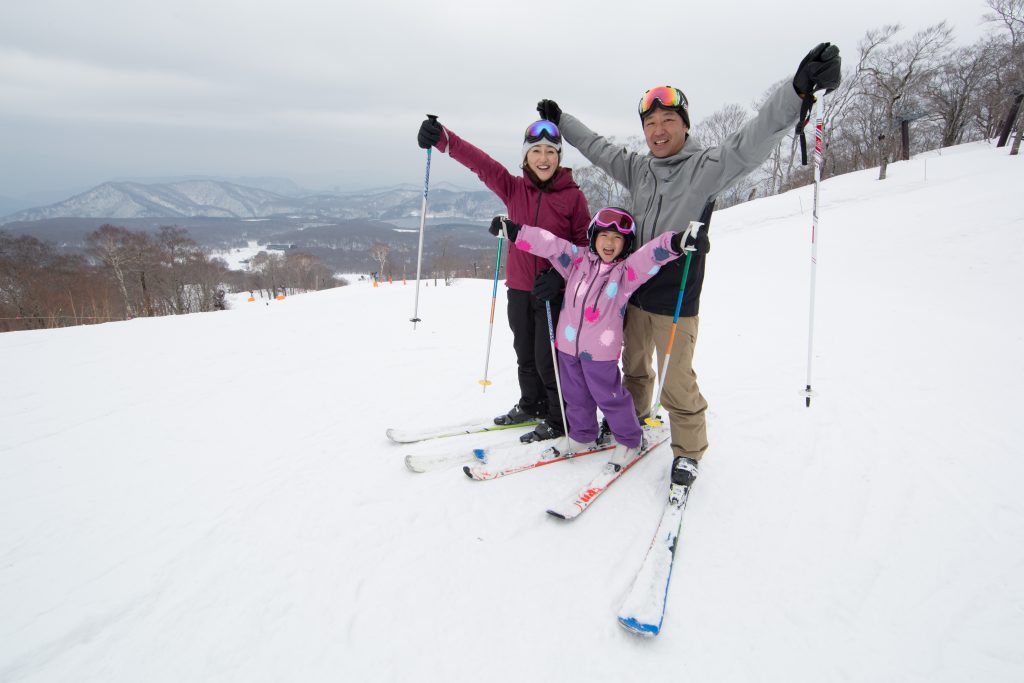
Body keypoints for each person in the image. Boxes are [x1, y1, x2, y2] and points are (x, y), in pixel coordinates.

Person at [536, 43, 842, 488]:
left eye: (668, 121)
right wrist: (563, 121)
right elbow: (599, 149)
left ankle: (689, 451)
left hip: (677, 297)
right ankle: (633, 421)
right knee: (634, 368)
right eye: (651, 123)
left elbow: (753, 139)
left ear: (684, 125)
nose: (658, 131)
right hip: (633, 296)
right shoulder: (640, 169)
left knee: (676, 381)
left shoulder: (707, 167)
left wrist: (796, 92)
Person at [417, 116, 590, 442]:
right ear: (525, 157)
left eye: (550, 151)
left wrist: (559, 277)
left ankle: (558, 417)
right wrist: (443, 139)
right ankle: (532, 405)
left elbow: (585, 249)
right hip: (519, 289)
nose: (543, 158)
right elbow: (481, 163)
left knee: (547, 359)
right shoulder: (513, 188)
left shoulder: (573, 198)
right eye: (536, 150)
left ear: (559, 158)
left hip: (554, 293)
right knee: (524, 354)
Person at [489, 208, 701, 466]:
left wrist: (676, 242)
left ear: (626, 244)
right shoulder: (576, 261)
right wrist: (514, 231)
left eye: (617, 238)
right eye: (604, 235)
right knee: (575, 396)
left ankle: (629, 439)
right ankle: (583, 434)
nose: (609, 243)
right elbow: (550, 244)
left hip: (600, 354)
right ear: (593, 236)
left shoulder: (625, 273)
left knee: (610, 398)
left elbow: (650, 256)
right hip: (567, 347)